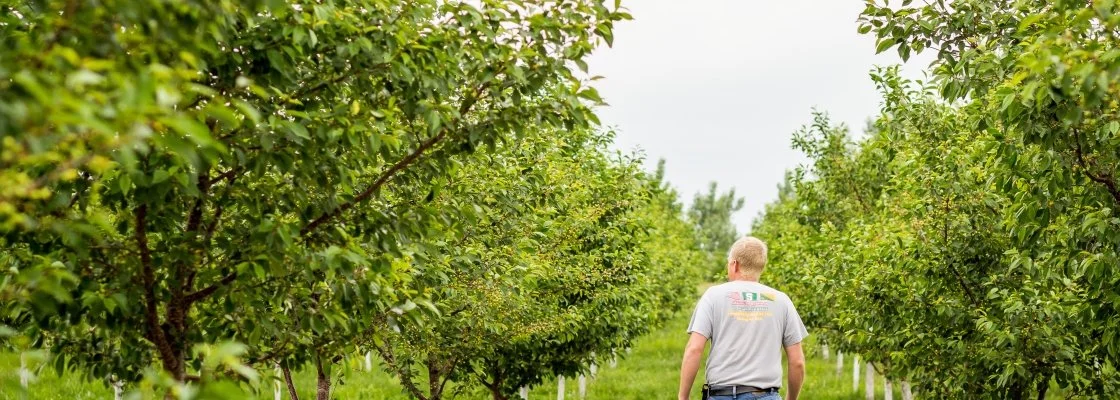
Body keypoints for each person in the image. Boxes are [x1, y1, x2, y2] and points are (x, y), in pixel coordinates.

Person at [678, 236, 807, 400]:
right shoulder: (781, 300)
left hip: (720, 395)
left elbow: (694, 349)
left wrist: (683, 397)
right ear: (762, 266)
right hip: (765, 395)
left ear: (734, 264)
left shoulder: (713, 296)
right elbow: (797, 362)